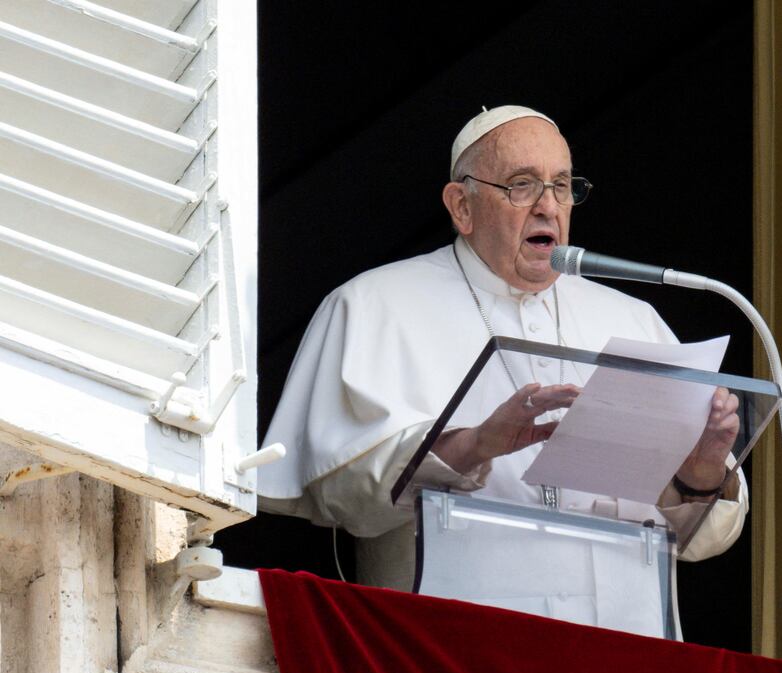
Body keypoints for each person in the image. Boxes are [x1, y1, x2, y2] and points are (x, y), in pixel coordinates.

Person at [257, 106, 747, 636]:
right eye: (521, 185)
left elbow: (702, 542)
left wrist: (701, 474)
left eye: (562, 186)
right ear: (461, 206)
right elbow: (343, 497)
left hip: (625, 661)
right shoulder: (373, 305)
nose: (547, 206)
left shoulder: (633, 321)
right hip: (448, 655)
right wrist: (474, 445)